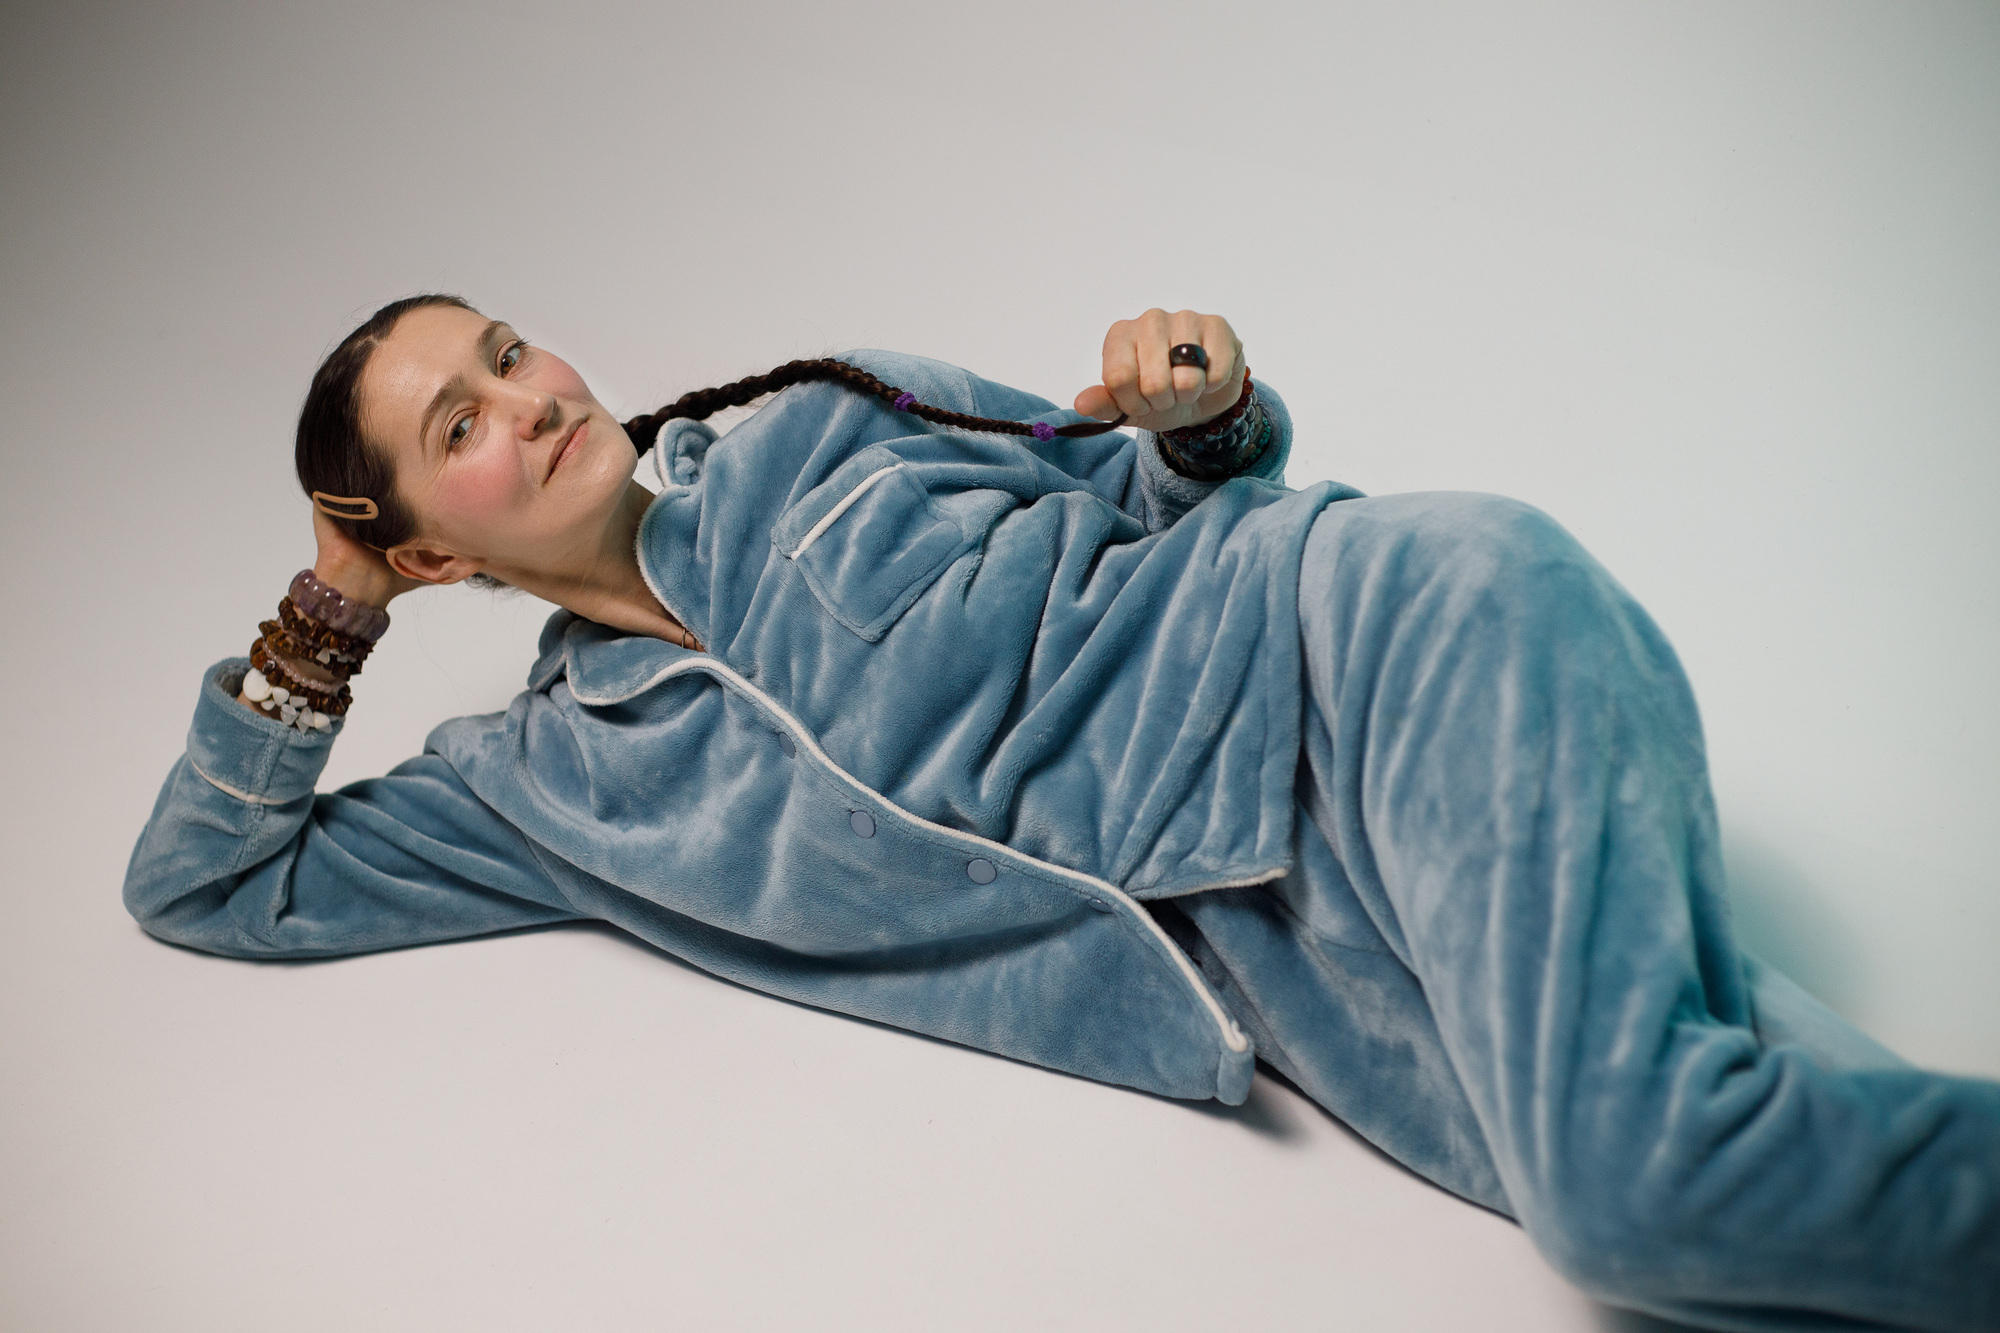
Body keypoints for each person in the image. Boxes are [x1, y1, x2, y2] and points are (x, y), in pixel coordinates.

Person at [124, 293, 2000, 1331]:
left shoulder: (818, 418)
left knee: (1638, 1198)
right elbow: (209, 882)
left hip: (1377, 655)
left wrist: (1206, 410)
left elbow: (1161, 494)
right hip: (1301, 963)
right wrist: (331, 604)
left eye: (507, 352)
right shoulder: (551, 784)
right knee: (1768, 1186)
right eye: (456, 428)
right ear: (429, 551)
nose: (529, 401)